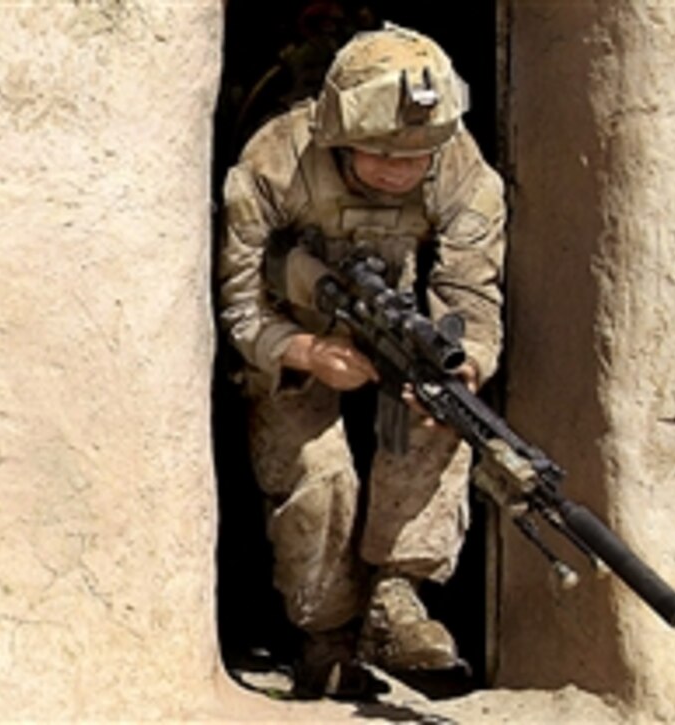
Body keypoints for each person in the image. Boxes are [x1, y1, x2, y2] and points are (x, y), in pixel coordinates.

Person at [217, 23, 506, 698]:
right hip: (292, 327)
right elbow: (237, 305)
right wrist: (305, 351)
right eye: (379, 155)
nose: (401, 171)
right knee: (316, 471)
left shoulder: (458, 164)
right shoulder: (274, 161)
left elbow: (472, 286)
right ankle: (324, 636)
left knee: (443, 418)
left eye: (417, 159)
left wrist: (465, 357)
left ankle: (396, 600)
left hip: (396, 313)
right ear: (340, 133)